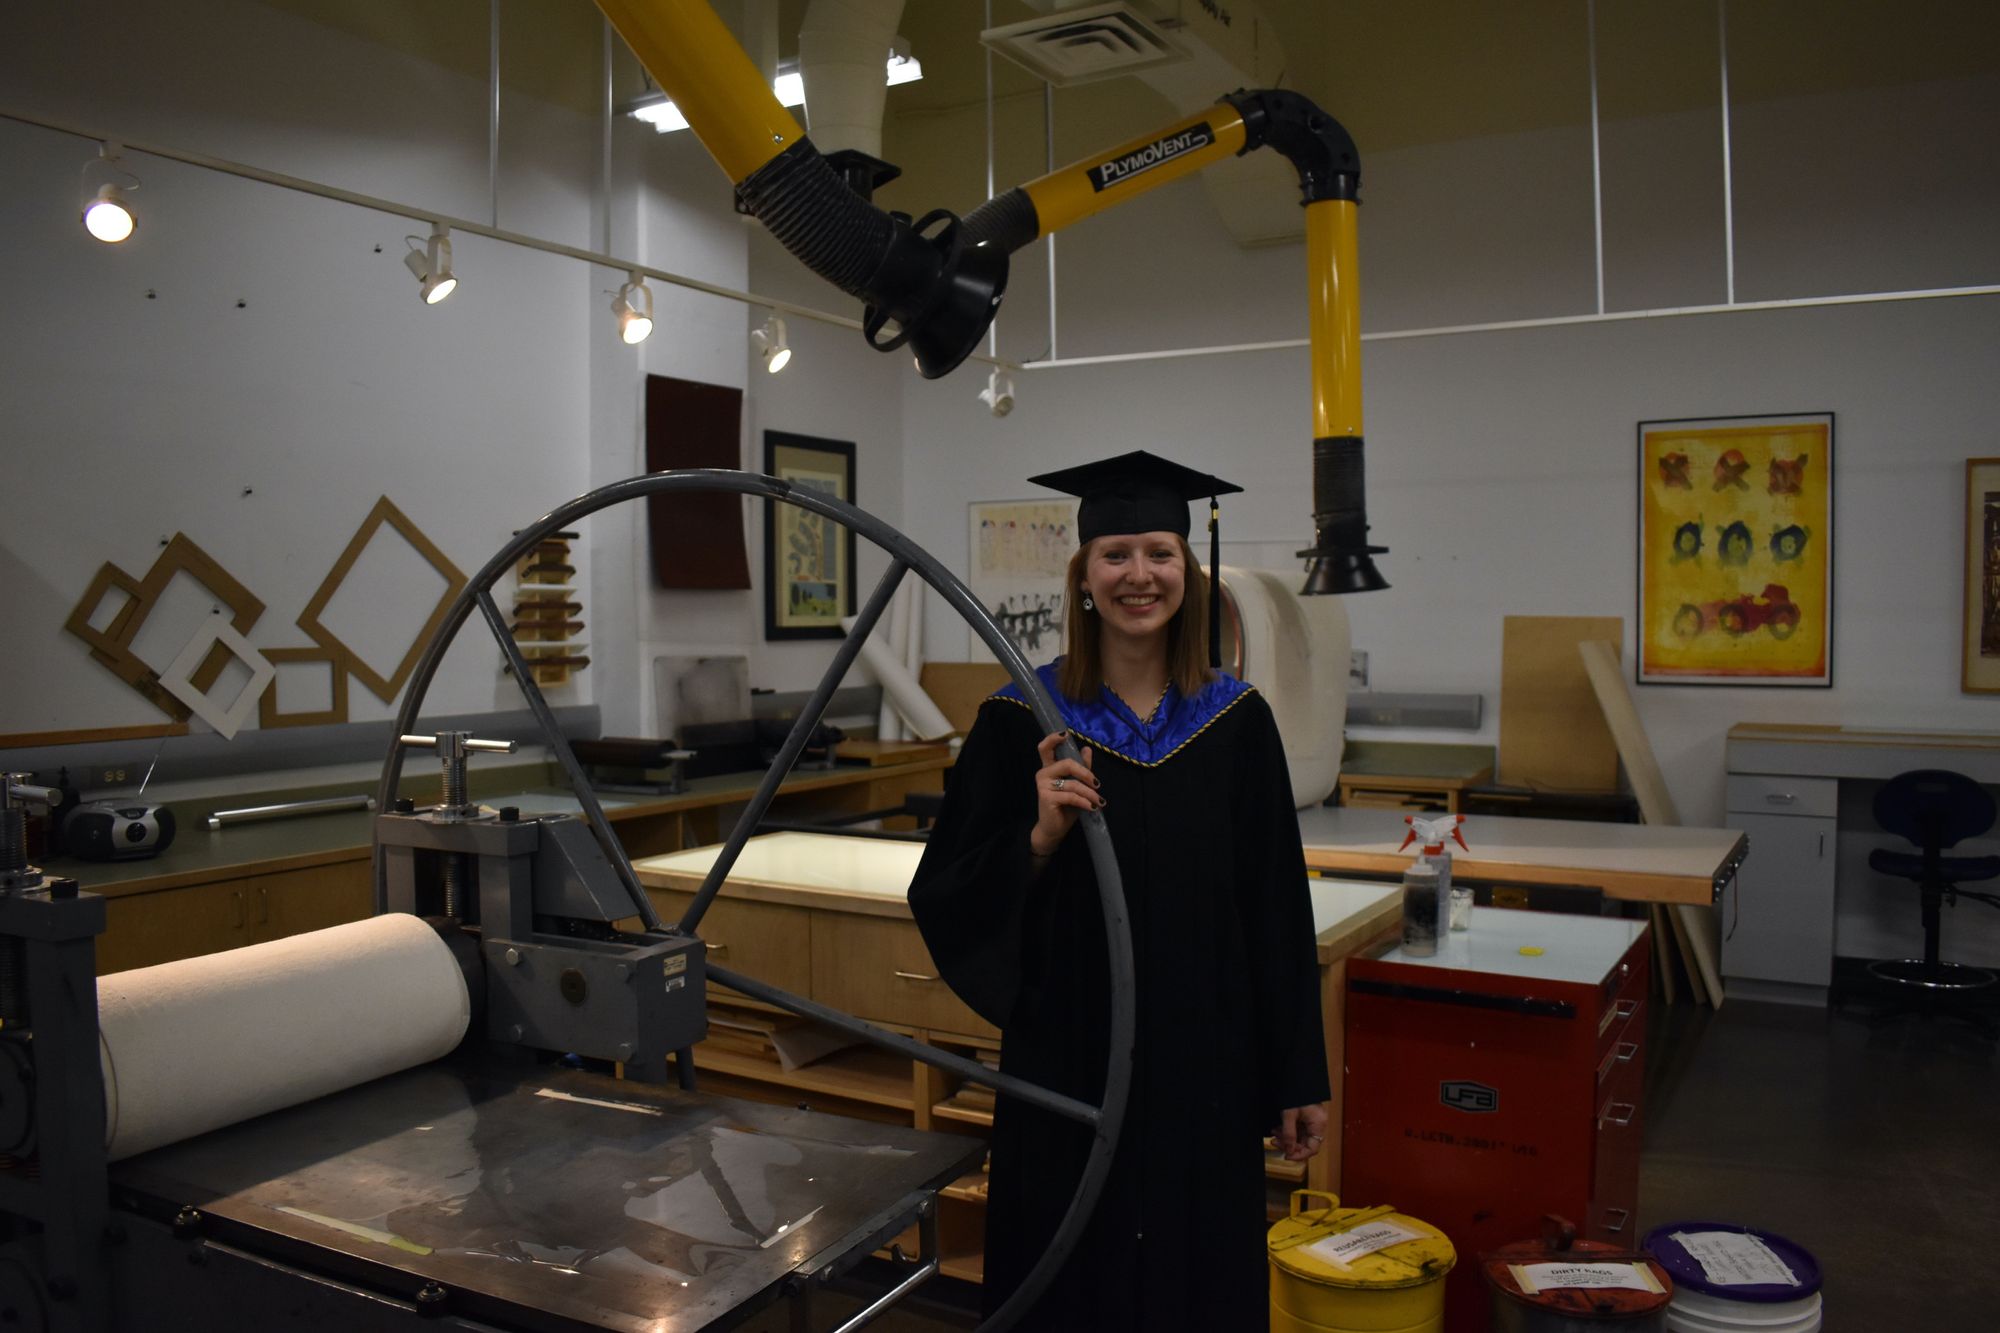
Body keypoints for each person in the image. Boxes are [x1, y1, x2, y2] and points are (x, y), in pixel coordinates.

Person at [909, 450, 1329, 1330]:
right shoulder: (1019, 722)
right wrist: (1035, 838)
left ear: (1189, 571)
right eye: (1116, 554)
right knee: (1070, 1269)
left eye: (1160, 552)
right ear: (1084, 576)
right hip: (1069, 1055)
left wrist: (1298, 1071)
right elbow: (945, 889)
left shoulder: (1237, 724)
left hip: (1205, 1063)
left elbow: (1277, 909)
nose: (1140, 574)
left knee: (1194, 1272)